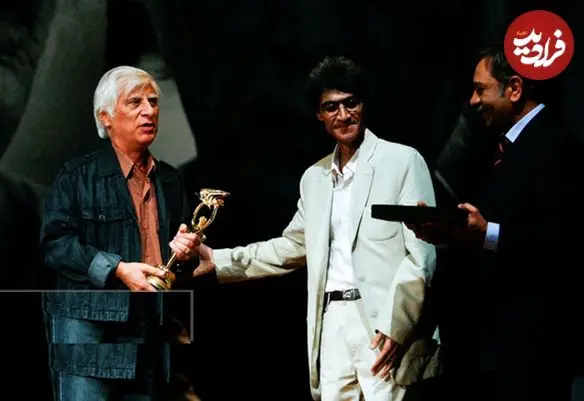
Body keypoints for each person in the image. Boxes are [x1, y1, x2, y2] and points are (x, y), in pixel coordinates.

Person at [191, 56, 437, 401]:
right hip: (332, 324)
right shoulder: (315, 178)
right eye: (331, 107)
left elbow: (422, 255)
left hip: (383, 323)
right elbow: (292, 246)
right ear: (319, 115)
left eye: (351, 103)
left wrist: (396, 326)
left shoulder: (402, 161)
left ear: (363, 105)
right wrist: (220, 260)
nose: (343, 115)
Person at [407, 44, 584, 401]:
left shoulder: (556, 145)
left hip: (533, 353)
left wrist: (486, 233)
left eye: (480, 89)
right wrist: (449, 233)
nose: (473, 101)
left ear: (514, 88)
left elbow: (562, 241)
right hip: (494, 349)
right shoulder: (501, 147)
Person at [39, 65, 201, 401]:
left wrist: (185, 252)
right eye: (135, 102)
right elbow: (55, 245)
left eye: (153, 101)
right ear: (106, 116)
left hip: (150, 322)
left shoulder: (170, 180)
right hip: (89, 324)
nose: (149, 111)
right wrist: (116, 268)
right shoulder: (77, 176)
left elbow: (180, 263)